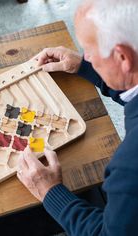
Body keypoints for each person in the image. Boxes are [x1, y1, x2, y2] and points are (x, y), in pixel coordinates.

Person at [17, 0, 138, 235]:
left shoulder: (129, 168)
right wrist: (86, 67)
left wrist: (49, 191)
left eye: (89, 51)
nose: (87, 56)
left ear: (123, 58)